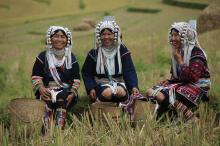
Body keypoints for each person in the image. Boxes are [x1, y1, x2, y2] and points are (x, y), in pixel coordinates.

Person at [146, 21, 211, 121]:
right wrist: (170, 81)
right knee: (151, 91)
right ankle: (186, 116)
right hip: (184, 84)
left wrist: (180, 60)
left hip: (199, 87)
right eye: (171, 35)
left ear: (185, 36)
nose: (172, 39)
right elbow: (179, 77)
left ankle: (188, 117)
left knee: (164, 94)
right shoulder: (178, 52)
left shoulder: (197, 52)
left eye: (176, 35)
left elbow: (193, 77)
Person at [31, 26, 80, 130]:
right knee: (46, 99)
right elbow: (36, 76)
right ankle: (46, 130)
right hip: (47, 90)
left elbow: (76, 79)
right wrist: (41, 88)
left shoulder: (71, 57)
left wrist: (72, 93)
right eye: (56, 36)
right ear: (50, 39)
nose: (59, 39)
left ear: (67, 40)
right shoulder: (42, 56)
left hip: (66, 91)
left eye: (63, 37)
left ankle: (58, 130)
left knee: (62, 97)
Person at [81, 16, 139, 104]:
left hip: (119, 83)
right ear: (99, 36)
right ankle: (103, 108)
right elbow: (86, 73)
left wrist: (133, 86)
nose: (106, 37)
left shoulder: (122, 50)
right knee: (107, 93)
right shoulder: (94, 52)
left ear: (115, 35)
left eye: (109, 34)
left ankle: (122, 109)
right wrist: (91, 88)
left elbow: (129, 70)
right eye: (103, 34)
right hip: (101, 84)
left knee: (120, 91)